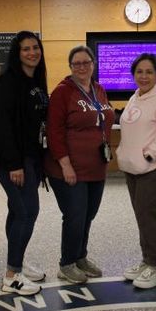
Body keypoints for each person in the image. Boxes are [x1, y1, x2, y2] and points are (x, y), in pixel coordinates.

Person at [44, 45, 115, 284]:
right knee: (74, 215)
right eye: (77, 64)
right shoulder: (63, 92)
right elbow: (54, 132)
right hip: (69, 168)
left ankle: (80, 257)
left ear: (93, 64)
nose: (82, 67)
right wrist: (65, 165)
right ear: (70, 67)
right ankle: (66, 264)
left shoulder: (99, 89)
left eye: (86, 63)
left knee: (88, 215)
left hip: (96, 167)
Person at [0, 31, 50, 296]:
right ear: (17, 52)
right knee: (27, 212)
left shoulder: (35, 79)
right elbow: (1, 126)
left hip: (31, 157)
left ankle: (18, 264)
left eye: (35, 47)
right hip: (11, 159)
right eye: (26, 49)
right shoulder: (8, 82)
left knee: (18, 211)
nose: (32, 52)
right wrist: (15, 164)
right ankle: (12, 275)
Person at [116, 53, 156, 289]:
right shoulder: (135, 97)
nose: (143, 76)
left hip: (153, 168)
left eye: (149, 72)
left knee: (149, 217)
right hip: (132, 168)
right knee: (141, 216)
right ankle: (146, 260)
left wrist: (149, 155)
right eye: (139, 72)